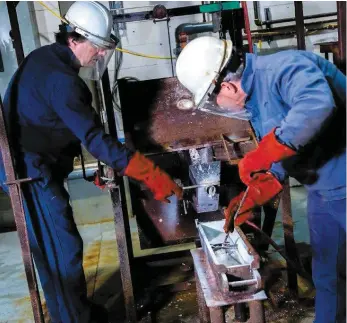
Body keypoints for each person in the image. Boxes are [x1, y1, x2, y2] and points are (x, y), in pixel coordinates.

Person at [0, 2, 182, 323]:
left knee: (56, 247)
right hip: (27, 171)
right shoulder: (62, 80)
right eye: (97, 47)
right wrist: (150, 174)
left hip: (36, 161)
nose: (100, 54)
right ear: (74, 38)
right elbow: (95, 139)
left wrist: (93, 166)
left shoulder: (45, 59)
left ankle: (75, 311)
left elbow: (59, 126)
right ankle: (72, 319)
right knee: (61, 251)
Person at [176, 36, 346, 323]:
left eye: (214, 99)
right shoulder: (255, 99)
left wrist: (265, 153)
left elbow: (316, 106)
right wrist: (255, 193)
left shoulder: (285, 67)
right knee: (327, 272)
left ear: (227, 86)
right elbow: (284, 150)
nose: (220, 106)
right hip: (323, 188)